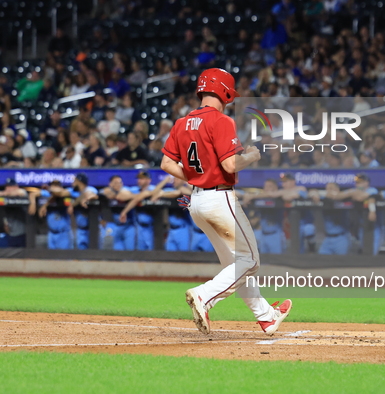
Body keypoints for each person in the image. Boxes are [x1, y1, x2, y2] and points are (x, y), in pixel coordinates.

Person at [160, 68, 292, 335]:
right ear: (225, 91)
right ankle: (204, 296)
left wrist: (198, 175)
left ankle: (266, 316)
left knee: (236, 265)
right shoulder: (221, 121)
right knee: (251, 261)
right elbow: (231, 164)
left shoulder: (181, 123)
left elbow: (166, 163)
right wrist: (252, 157)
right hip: (219, 198)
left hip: (196, 202)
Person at [119, 172, 171, 251]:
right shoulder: (135, 189)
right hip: (138, 226)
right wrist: (139, 196)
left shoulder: (154, 188)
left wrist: (143, 195)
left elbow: (153, 194)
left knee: (151, 251)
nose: (139, 180)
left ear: (148, 180)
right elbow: (121, 195)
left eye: (142, 179)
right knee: (138, 252)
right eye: (138, 178)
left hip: (152, 227)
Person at [242, 179, 286, 254]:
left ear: (275, 188)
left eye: (270, 186)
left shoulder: (279, 195)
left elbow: (271, 194)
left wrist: (252, 196)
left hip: (275, 235)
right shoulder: (260, 197)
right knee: (264, 262)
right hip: (263, 234)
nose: (267, 188)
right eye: (265, 186)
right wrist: (247, 196)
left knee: (278, 262)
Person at [310, 183, 351, 255]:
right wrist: (314, 194)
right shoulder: (325, 198)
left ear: (337, 189)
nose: (328, 190)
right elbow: (311, 192)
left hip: (341, 238)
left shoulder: (342, 197)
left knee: (341, 263)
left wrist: (319, 193)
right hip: (328, 238)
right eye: (327, 189)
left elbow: (335, 196)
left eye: (331, 188)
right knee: (320, 261)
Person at [0, 178, 28, 247]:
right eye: (7, 186)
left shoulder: (21, 193)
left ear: (16, 186)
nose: (8, 188)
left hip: (24, 235)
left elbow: (20, 192)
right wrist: (3, 194)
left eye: (11, 186)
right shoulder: (4, 198)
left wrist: (4, 194)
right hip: (11, 235)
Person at [32, 180, 73, 249]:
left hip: (63, 233)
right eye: (53, 185)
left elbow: (62, 194)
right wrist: (33, 204)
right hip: (51, 233)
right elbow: (33, 194)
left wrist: (45, 205)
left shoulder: (66, 194)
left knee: (65, 258)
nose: (55, 187)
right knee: (52, 258)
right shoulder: (47, 194)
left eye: (57, 185)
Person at [101, 175, 136, 250]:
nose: (118, 184)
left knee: (130, 251)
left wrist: (118, 196)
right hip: (115, 225)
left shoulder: (126, 190)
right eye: (115, 183)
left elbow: (131, 196)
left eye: (120, 182)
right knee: (116, 251)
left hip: (128, 226)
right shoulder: (106, 191)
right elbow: (101, 193)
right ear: (110, 184)